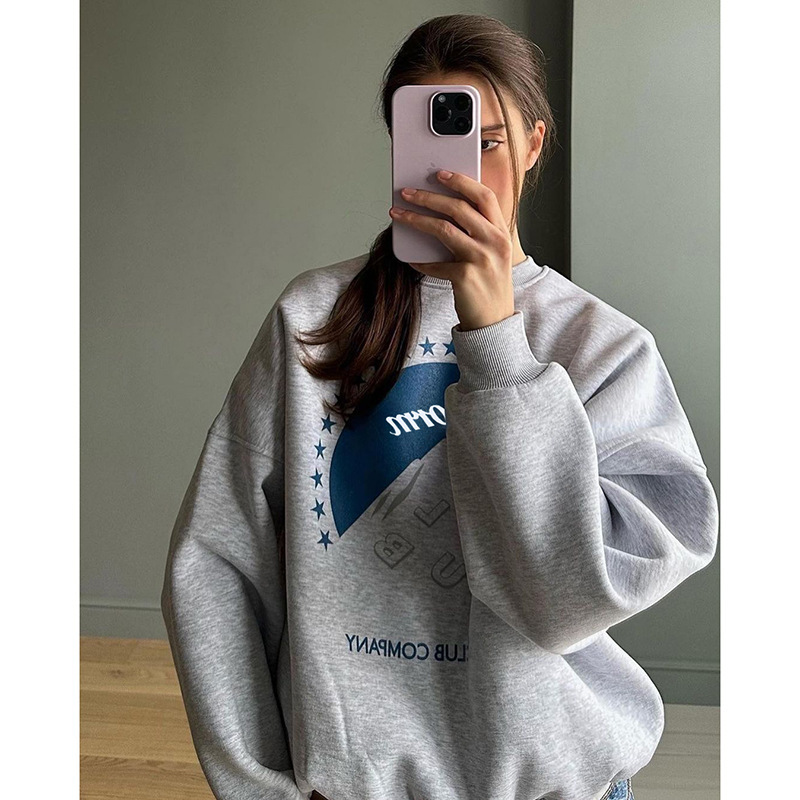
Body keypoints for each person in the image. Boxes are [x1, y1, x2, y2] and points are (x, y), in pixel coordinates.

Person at [160, 13, 718, 800]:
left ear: (533, 143)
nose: (462, 175)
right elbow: (217, 566)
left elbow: (561, 605)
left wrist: (495, 340)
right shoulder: (311, 320)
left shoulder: (605, 348)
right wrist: (255, 785)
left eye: (487, 143)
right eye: (435, 146)